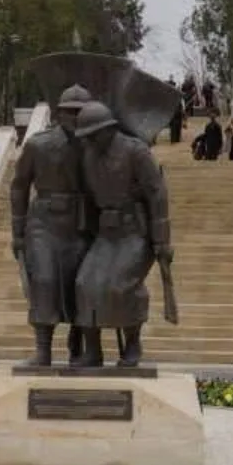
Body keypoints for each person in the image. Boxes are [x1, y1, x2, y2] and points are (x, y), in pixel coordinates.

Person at [72, 101, 172, 368]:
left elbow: (157, 193)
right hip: (106, 234)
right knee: (84, 284)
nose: (90, 141)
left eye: (93, 134)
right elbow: (89, 198)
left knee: (120, 285)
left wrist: (161, 239)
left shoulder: (135, 151)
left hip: (135, 232)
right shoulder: (89, 156)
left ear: (108, 129)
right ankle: (93, 351)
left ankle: (132, 343)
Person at [10, 84, 93, 367]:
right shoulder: (38, 144)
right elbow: (19, 186)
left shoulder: (96, 146)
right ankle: (42, 349)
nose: (75, 118)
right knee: (44, 281)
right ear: (59, 113)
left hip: (81, 223)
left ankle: (77, 346)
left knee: (79, 286)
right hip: (43, 223)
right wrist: (17, 230)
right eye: (70, 112)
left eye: (81, 113)